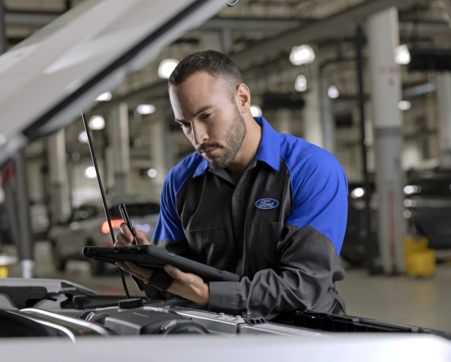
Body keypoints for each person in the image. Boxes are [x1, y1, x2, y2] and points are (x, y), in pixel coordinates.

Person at [115, 50, 348, 320]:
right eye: (185, 124)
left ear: (242, 99)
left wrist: (207, 295)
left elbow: (305, 289)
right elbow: (175, 284)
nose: (198, 136)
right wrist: (148, 269)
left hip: (303, 338)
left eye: (206, 116)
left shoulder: (313, 170)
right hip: (217, 337)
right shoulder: (179, 183)